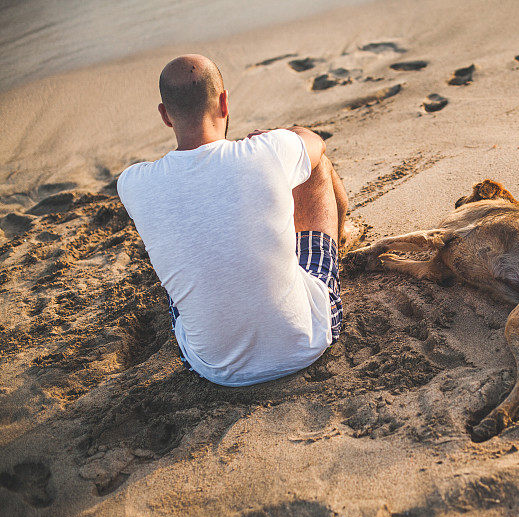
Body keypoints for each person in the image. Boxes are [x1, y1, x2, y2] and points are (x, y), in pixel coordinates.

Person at [117, 54, 351, 386]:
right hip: (306, 343)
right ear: (224, 103)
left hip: (213, 368)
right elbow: (314, 141)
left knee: (186, 245)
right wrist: (277, 136)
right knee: (316, 167)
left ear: (165, 115)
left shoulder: (132, 183)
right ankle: (337, 247)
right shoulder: (267, 150)